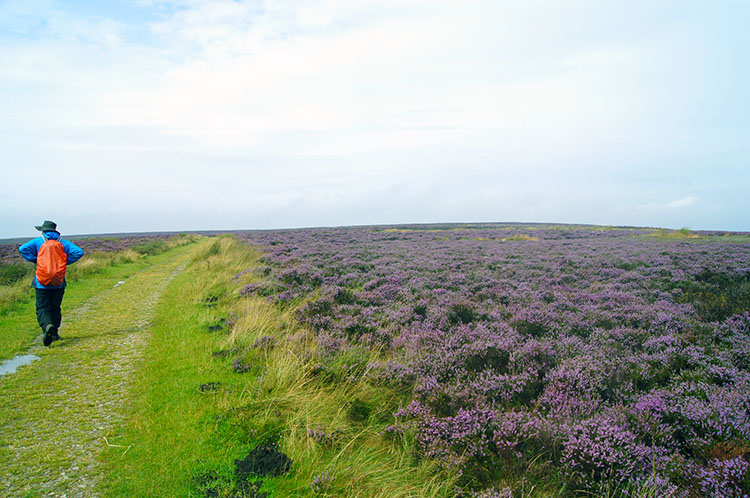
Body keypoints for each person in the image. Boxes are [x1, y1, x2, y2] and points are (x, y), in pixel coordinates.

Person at [19, 220, 84, 346]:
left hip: (41, 282)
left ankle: (47, 326)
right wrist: (64, 262)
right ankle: (54, 333)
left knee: (42, 307)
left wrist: (36, 260)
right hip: (59, 282)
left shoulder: (38, 241)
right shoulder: (62, 242)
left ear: (43, 230)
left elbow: (22, 249)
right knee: (55, 307)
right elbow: (79, 252)